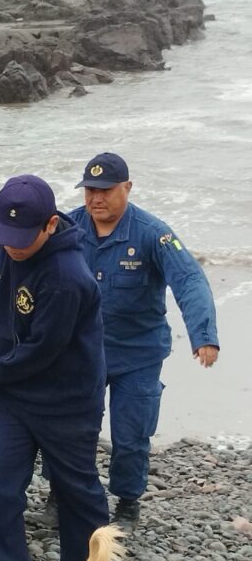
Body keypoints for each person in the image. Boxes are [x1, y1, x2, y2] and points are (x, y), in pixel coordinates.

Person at [67, 152, 220, 531]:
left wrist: (204, 335)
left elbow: (190, 280)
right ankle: (64, 495)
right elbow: (26, 260)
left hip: (138, 353)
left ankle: (127, 502)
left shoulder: (153, 233)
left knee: (131, 434)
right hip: (81, 351)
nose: (96, 198)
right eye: (90, 190)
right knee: (72, 428)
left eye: (105, 190)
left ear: (127, 188)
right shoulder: (68, 226)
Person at [0, 174, 109, 561]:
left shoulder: (67, 277)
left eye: (23, 237)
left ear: (50, 224)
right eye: (5, 234)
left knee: (76, 493)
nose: (12, 246)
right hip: (13, 395)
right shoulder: (3, 245)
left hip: (67, 400)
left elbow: (42, 350)